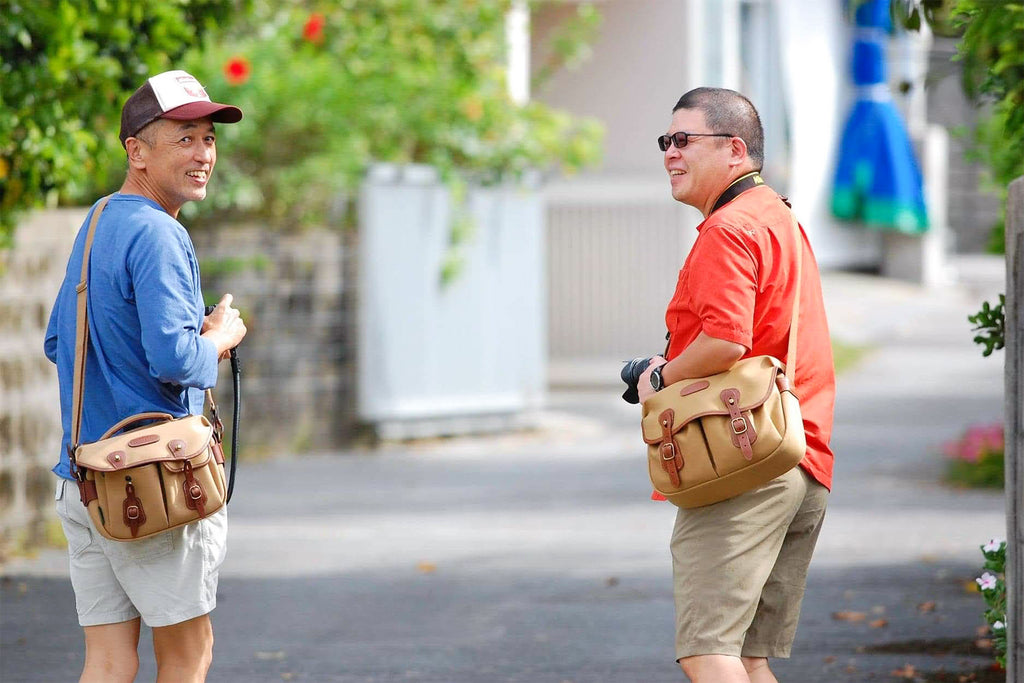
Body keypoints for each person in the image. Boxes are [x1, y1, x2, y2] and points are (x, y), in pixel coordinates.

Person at [44, 70, 247, 683]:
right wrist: (218, 337)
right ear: (137, 150)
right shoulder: (161, 232)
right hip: (153, 487)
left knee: (106, 661)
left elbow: (59, 341)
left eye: (208, 139)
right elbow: (175, 360)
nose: (203, 154)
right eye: (184, 138)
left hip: (86, 477)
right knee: (188, 656)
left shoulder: (101, 220)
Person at [635, 87, 835, 683]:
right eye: (665, 142)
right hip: (802, 456)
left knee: (707, 651)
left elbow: (726, 340)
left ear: (734, 149)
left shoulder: (728, 229)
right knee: (749, 658)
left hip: (744, 466)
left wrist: (659, 377)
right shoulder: (780, 218)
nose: (670, 154)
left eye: (683, 140)